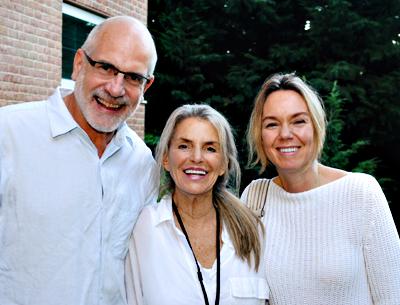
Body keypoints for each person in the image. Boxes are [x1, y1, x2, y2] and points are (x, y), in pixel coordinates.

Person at [0, 16, 158, 305]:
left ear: (146, 87)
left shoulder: (142, 163)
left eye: (133, 77)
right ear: (78, 64)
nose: (115, 89)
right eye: (106, 67)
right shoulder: (8, 135)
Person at [241, 72, 400, 305]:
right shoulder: (254, 198)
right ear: (260, 135)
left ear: (316, 127)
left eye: (298, 121)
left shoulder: (361, 193)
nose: (285, 134)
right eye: (272, 124)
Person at [125, 104, 268, 305]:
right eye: (184, 146)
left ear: (224, 165)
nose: (197, 158)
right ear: (166, 158)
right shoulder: (145, 228)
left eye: (210, 148)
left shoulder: (253, 231)